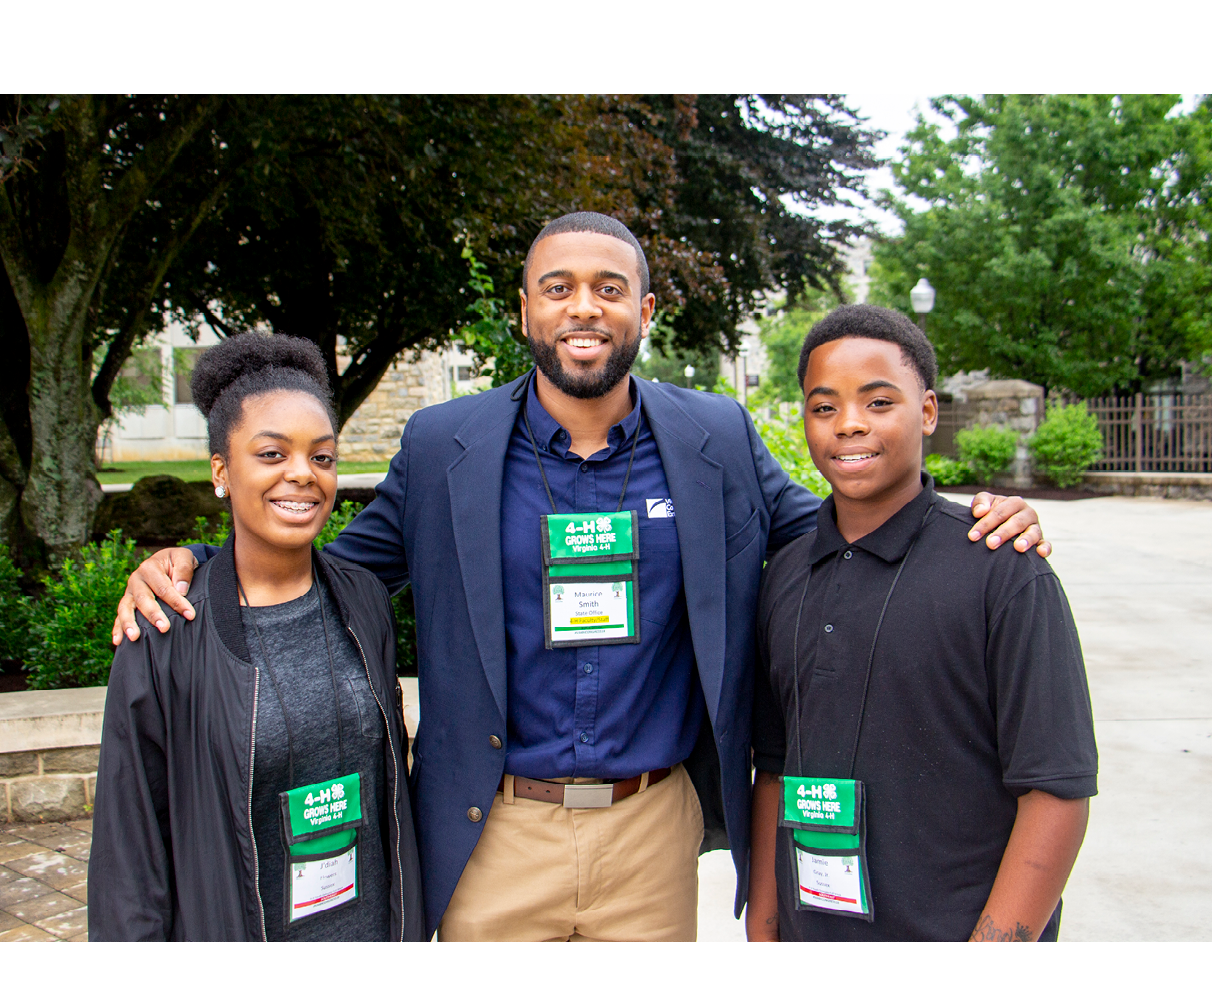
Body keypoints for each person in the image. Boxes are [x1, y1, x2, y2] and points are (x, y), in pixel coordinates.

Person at [111, 213, 1051, 941]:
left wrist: (961, 520)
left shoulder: (712, 436)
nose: (583, 307)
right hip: (494, 830)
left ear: (645, 312)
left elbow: (829, 532)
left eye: (610, 287)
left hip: (652, 829)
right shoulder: (446, 447)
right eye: (556, 287)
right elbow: (326, 568)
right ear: (526, 311)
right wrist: (192, 560)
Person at [745, 305, 1096, 943]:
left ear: (928, 411)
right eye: (824, 407)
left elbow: (1057, 791)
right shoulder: (785, 574)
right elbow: (772, 769)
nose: (850, 424)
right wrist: (765, 936)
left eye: (879, 402)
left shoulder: (1002, 569)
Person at [88, 334, 422, 942]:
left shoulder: (364, 603)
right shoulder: (165, 632)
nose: (302, 474)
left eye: (322, 457)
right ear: (221, 471)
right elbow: (129, 849)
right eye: (272, 454)